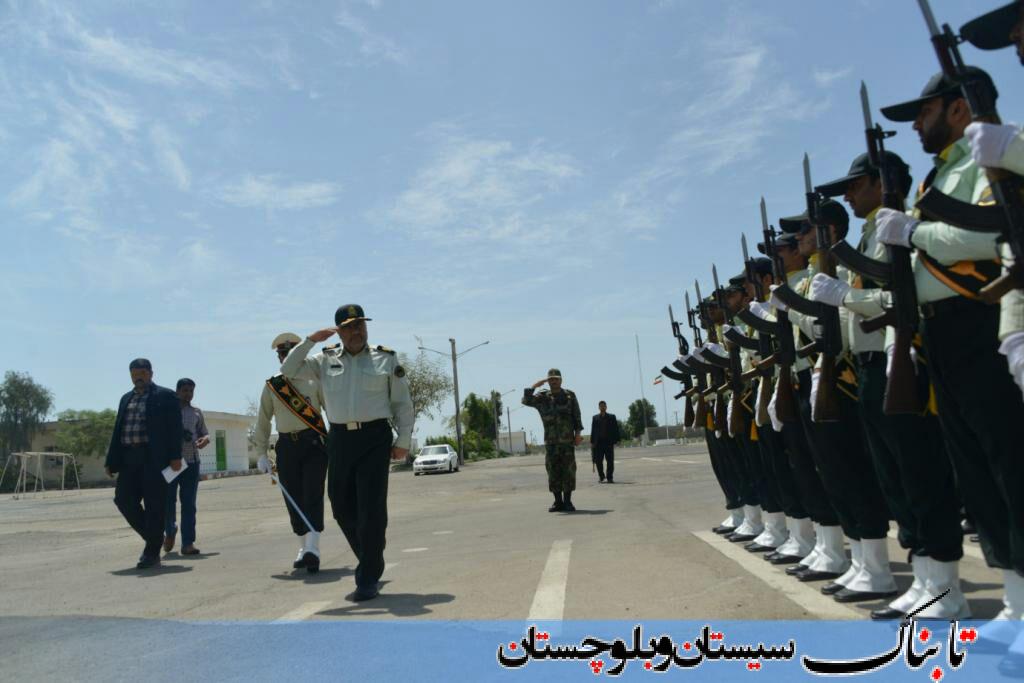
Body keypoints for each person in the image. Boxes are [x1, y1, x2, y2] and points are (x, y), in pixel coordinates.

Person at [876, 66, 1024, 628]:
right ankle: (1013, 601)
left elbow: (995, 233)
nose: (916, 124)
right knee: (978, 478)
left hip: (983, 321)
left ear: (958, 109)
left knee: (1009, 464)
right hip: (941, 334)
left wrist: (915, 233)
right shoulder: (935, 179)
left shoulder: (990, 158)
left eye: (924, 111)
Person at [810, 151, 967, 619]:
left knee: (921, 474)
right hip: (870, 366)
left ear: (882, 184)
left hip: (900, 357)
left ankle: (944, 586)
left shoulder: (895, 224)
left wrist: (847, 296)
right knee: (896, 479)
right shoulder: (866, 233)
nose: (850, 194)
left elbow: (897, 293)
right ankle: (924, 579)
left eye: (856, 185)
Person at [282, 305, 413, 601]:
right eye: (350, 327)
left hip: (375, 438)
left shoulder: (386, 359)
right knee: (340, 506)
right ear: (338, 330)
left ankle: (366, 578)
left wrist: (404, 439)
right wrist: (310, 340)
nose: (358, 331)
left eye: (361, 326)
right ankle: (371, 556)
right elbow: (287, 370)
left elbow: (403, 403)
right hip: (340, 438)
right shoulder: (323, 359)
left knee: (371, 508)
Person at [254, 332, 329, 573]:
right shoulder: (273, 386)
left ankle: (313, 548)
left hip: (313, 444)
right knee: (293, 498)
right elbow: (263, 421)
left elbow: (332, 410)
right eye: (282, 354)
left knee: (312, 494)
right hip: (286, 446)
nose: (285, 357)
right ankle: (302, 547)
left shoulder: (313, 381)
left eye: (289, 353)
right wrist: (261, 453)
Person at [104, 358, 183, 569]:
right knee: (123, 499)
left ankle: (151, 552)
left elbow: (176, 428)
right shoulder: (125, 399)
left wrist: (176, 456)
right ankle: (154, 538)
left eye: (142, 373)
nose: (138, 377)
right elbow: (118, 430)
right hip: (129, 458)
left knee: (154, 504)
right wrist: (111, 461)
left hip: (154, 459)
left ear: (150, 373)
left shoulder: (165, 396)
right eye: (134, 374)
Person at [523, 369, 583, 512]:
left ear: (561, 380)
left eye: (556, 379)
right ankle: (558, 502)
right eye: (551, 379)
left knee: (568, 471)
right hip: (551, 442)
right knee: (553, 471)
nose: (553, 381)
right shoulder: (542, 397)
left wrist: (578, 434)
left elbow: (577, 416)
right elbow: (526, 400)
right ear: (547, 381)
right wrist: (534, 386)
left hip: (567, 441)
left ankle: (568, 501)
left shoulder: (570, 396)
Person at [163, 378, 210, 556]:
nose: (188, 394)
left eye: (191, 391)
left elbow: (205, 433)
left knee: (189, 504)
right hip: (171, 465)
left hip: (191, 463)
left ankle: (188, 543)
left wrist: (205, 439)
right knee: (168, 502)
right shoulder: (168, 411)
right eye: (184, 391)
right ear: (177, 391)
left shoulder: (196, 412)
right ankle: (170, 530)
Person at [589, 401, 619, 483]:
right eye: (601, 406)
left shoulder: (612, 417)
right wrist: (592, 442)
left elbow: (616, 429)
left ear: (606, 407)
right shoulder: (595, 418)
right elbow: (593, 431)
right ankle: (601, 477)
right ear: (599, 408)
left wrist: (617, 440)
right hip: (598, 443)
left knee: (610, 461)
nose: (602, 407)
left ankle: (609, 477)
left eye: (604, 406)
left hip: (609, 443)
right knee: (599, 461)